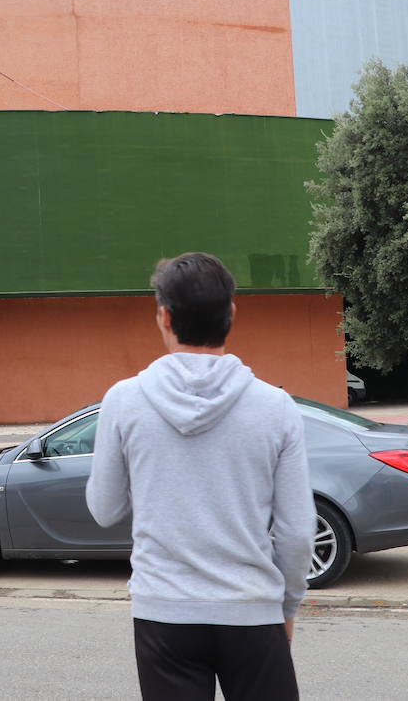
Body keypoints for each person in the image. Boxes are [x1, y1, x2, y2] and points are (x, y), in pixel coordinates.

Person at [86, 252, 313, 700]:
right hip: (252, 612)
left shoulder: (124, 400)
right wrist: (286, 607)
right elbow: (298, 533)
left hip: (164, 612)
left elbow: (104, 509)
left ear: (165, 317)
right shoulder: (276, 407)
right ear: (231, 313)